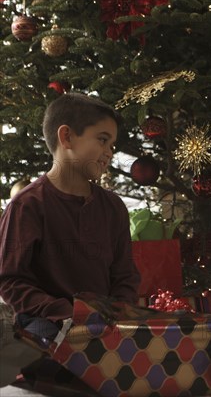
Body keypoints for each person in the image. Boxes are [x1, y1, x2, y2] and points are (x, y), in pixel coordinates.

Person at [0, 93, 140, 384]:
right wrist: (67, 312)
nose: (109, 152)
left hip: (105, 324)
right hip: (45, 324)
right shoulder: (27, 206)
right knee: (61, 359)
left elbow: (124, 275)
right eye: (102, 140)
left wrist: (119, 315)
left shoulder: (113, 208)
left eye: (112, 145)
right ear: (67, 137)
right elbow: (10, 281)